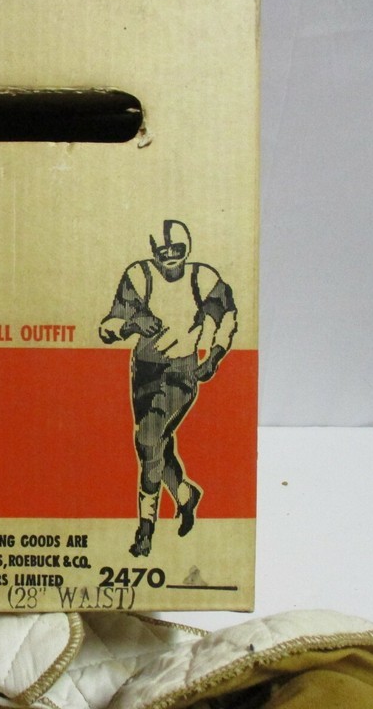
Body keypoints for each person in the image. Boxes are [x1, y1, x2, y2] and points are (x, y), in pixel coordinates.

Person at [99, 219, 237, 557]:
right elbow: (108, 327)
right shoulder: (139, 276)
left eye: (177, 248)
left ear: (187, 247)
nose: (171, 255)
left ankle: (145, 530)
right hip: (145, 371)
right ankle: (186, 494)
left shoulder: (202, 277)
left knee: (148, 441)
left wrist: (214, 356)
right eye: (163, 251)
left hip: (181, 372)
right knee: (157, 444)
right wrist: (132, 324)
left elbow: (228, 317)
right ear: (154, 252)